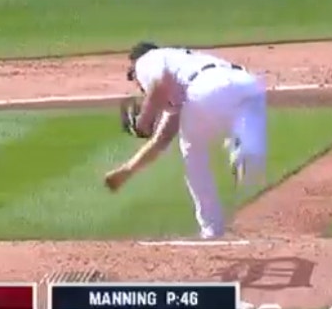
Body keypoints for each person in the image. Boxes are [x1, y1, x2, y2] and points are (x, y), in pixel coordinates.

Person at [106, 42, 267, 240]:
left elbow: (159, 83)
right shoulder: (181, 71)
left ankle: (211, 228)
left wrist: (143, 121)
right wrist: (127, 170)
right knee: (243, 118)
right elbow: (160, 141)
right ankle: (245, 145)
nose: (137, 83)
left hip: (206, 89)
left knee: (193, 152)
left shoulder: (148, 60)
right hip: (247, 84)